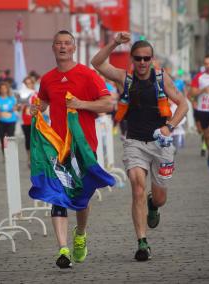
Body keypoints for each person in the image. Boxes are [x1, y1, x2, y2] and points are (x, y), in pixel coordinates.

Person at [91, 32, 188, 261]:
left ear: (152, 59)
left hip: (161, 143)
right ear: (132, 60)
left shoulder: (162, 78)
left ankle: (153, 205)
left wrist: (170, 127)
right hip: (134, 141)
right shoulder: (125, 79)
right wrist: (114, 42)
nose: (142, 63)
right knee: (137, 187)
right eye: (138, 58)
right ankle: (142, 242)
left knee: (160, 197)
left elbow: (183, 104)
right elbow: (97, 63)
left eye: (146, 58)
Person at [30, 30, 113, 269]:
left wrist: (81, 104)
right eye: (59, 44)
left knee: (81, 198)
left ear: (74, 48)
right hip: (58, 148)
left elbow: (108, 103)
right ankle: (63, 249)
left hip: (84, 148)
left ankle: (81, 233)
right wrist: (36, 108)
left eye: (67, 43)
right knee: (57, 196)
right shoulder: (47, 79)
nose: (63, 47)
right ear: (53, 48)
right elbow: (44, 101)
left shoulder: (88, 75)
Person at [0, 81, 18, 156]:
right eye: (1, 89)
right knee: (2, 138)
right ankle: (4, 154)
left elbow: (16, 107)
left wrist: (16, 107)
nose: (3, 90)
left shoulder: (12, 99)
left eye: (5, 88)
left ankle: (11, 154)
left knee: (10, 137)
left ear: (7, 89)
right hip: (1, 121)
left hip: (11, 121)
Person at [20, 76, 37, 167]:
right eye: (26, 83)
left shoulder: (36, 94)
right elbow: (17, 107)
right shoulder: (22, 94)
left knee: (35, 140)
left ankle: (34, 158)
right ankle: (29, 158)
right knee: (28, 139)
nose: (28, 85)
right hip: (25, 120)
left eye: (30, 83)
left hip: (36, 120)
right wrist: (21, 106)